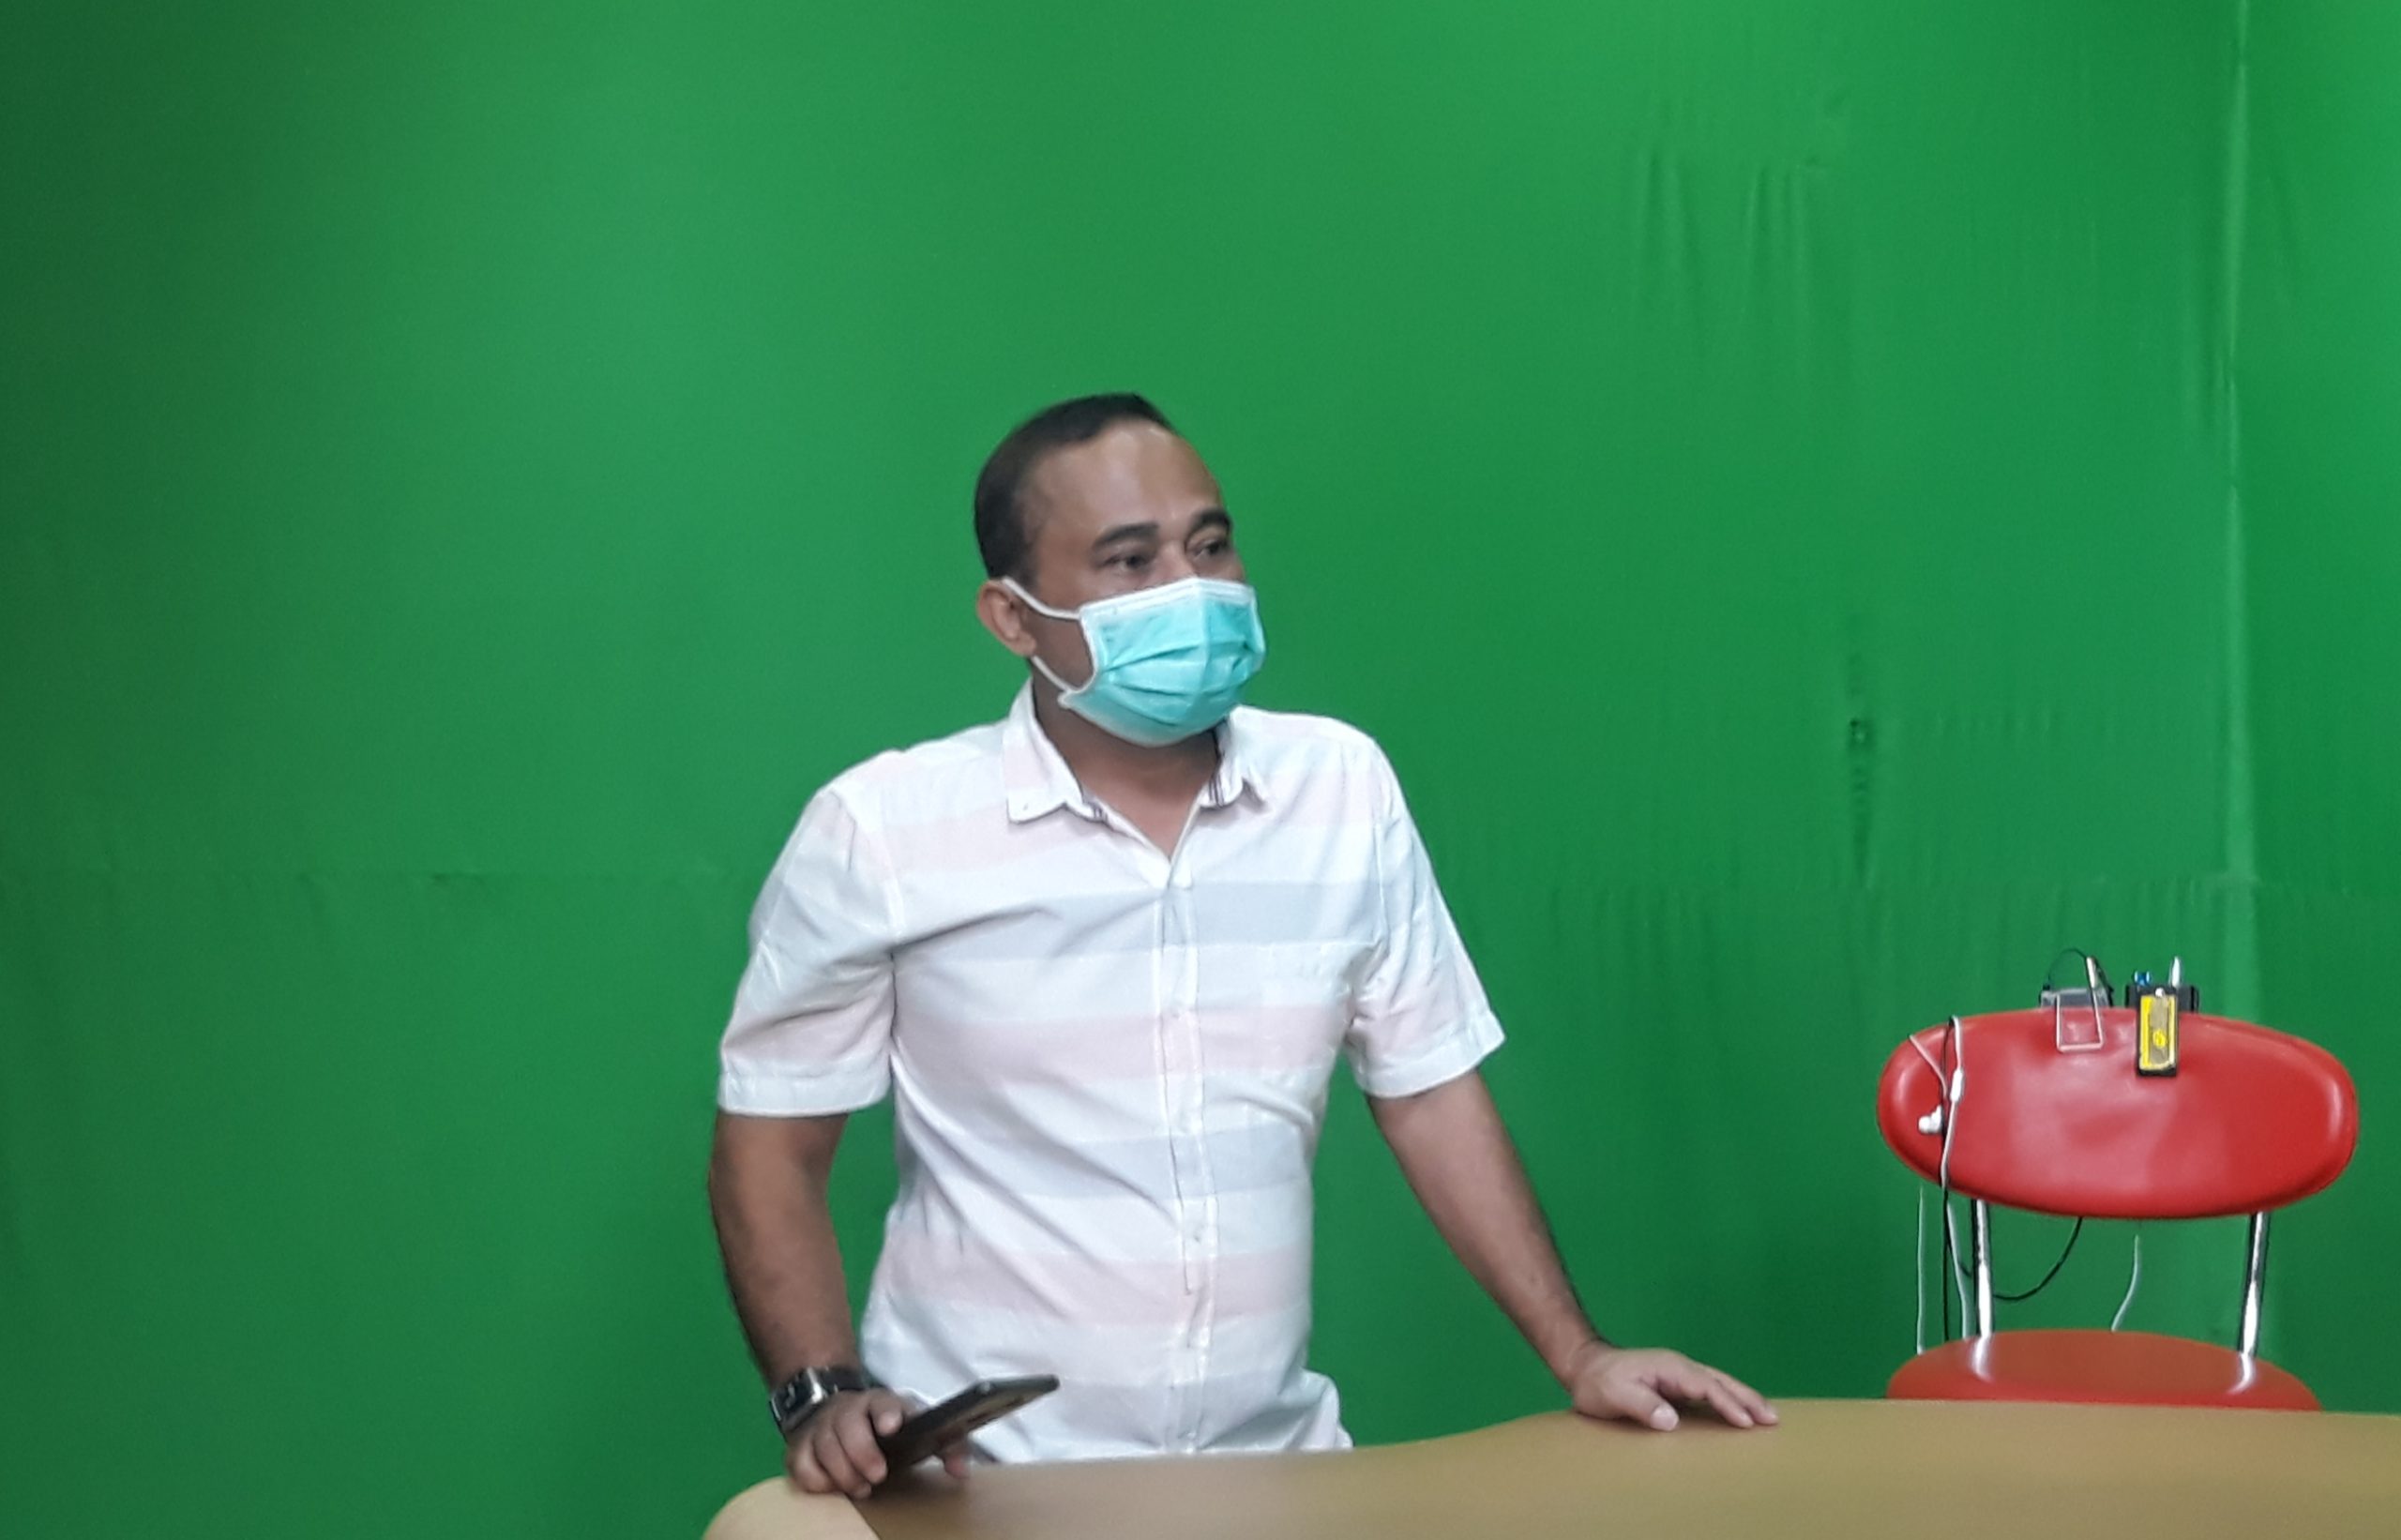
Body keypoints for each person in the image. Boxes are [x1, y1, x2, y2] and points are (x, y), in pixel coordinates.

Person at [707, 394, 1774, 1500]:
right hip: (988, 1481)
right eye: (1130, 561)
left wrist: (1579, 1352)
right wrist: (819, 1390)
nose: (1191, 588)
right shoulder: (884, 830)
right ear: (1012, 618)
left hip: (1276, 1472)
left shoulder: (1339, 790)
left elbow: (1428, 1093)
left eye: (1209, 544)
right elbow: (771, 1139)